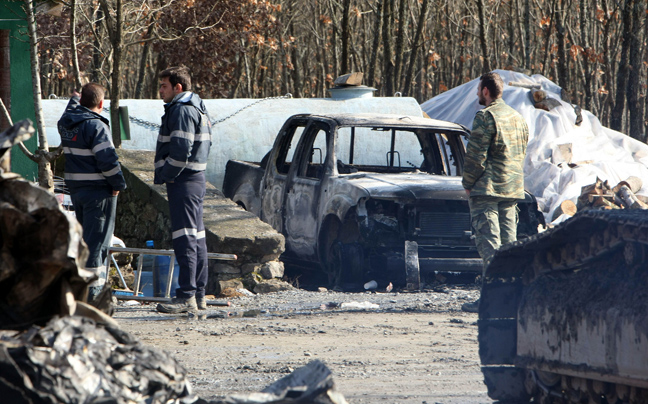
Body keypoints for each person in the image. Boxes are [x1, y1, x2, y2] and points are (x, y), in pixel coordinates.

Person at [461, 72, 529, 313]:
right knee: (509, 248)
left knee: (490, 246)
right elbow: (520, 152)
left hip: (487, 190)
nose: (478, 94)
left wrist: (468, 183)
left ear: (486, 91)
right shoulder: (518, 118)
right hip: (511, 191)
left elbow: (475, 157)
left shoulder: (485, 117)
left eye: (479, 90)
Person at [58, 83, 126, 303]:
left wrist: (74, 99)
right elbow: (107, 159)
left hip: (77, 191)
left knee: (85, 242)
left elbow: (69, 112)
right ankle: (93, 295)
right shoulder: (95, 126)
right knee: (97, 244)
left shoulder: (66, 123)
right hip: (99, 191)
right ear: (101, 103)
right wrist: (118, 184)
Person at [154, 66, 212, 314]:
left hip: (183, 181)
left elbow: (180, 152)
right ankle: (198, 295)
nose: (160, 91)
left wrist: (166, 175)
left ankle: (186, 296)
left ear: (178, 87)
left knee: (185, 238)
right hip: (194, 179)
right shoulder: (197, 107)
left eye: (164, 86)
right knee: (196, 238)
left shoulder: (181, 110)